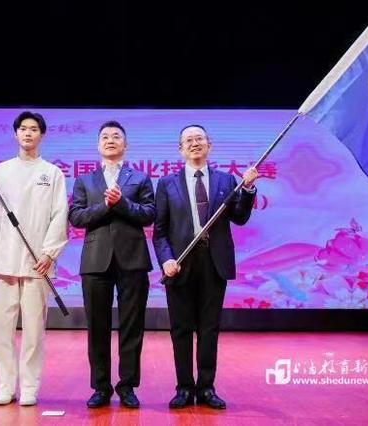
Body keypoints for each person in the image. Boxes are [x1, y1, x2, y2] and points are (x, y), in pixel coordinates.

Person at [153, 124, 258, 409]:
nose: (194, 143)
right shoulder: (167, 183)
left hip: (214, 263)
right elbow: (160, 231)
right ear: (180, 149)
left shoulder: (226, 180)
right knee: (181, 329)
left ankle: (207, 388)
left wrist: (248, 189)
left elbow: (239, 218)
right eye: (188, 140)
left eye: (199, 138)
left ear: (209, 145)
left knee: (209, 328)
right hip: (180, 264)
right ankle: (184, 388)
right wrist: (166, 260)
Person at [0, 111, 68, 406]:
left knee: (33, 330)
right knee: (1, 330)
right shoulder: (0, 171)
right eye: (23, 129)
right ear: (16, 134)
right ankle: (5, 386)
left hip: (37, 263)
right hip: (4, 259)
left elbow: (60, 215)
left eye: (34, 129)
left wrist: (49, 253)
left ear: (42, 134)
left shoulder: (52, 173)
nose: (28, 133)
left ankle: (29, 387)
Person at [68, 120, 155, 408]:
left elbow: (149, 214)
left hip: (133, 259)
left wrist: (122, 203)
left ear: (125, 145)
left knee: (132, 326)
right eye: (105, 136)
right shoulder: (85, 180)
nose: (110, 140)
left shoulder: (140, 178)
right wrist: (105, 206)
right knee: (97, 327)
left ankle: (127, 386)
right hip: (96, 260)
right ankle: (101, 387)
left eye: (116, 136)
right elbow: (76, 217)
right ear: (98, 145)